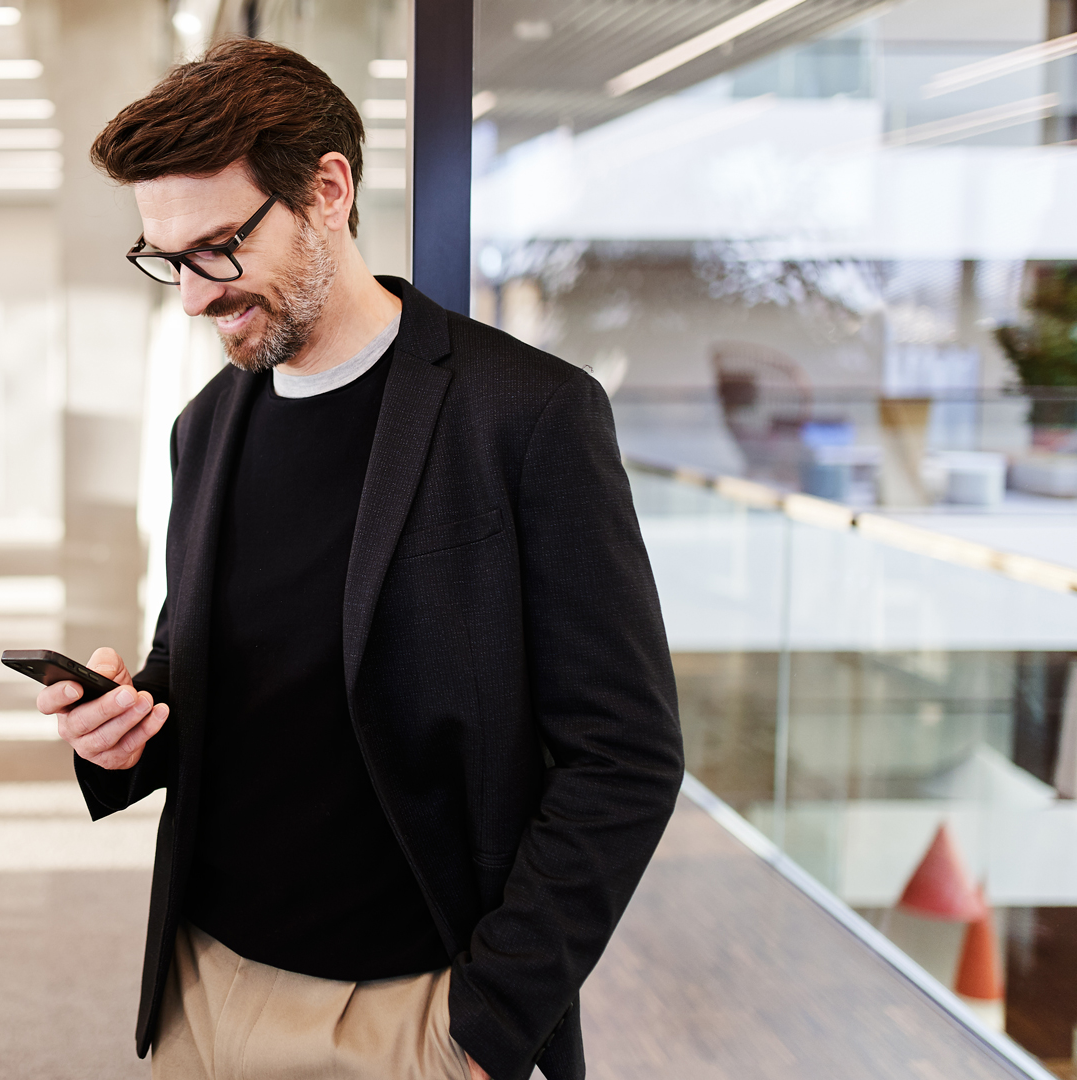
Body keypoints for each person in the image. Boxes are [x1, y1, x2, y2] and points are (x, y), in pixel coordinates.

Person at [36, 38, 684, 1080]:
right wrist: (127, 730)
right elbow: (216, 681)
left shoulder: (526, 415)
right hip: (201, 986)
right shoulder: (206, 426)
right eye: (166, 258)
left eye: (217, 248)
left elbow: (627, 754)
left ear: (328, 189)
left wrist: (483, 1027)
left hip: (407, 1016)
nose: (193, 296)